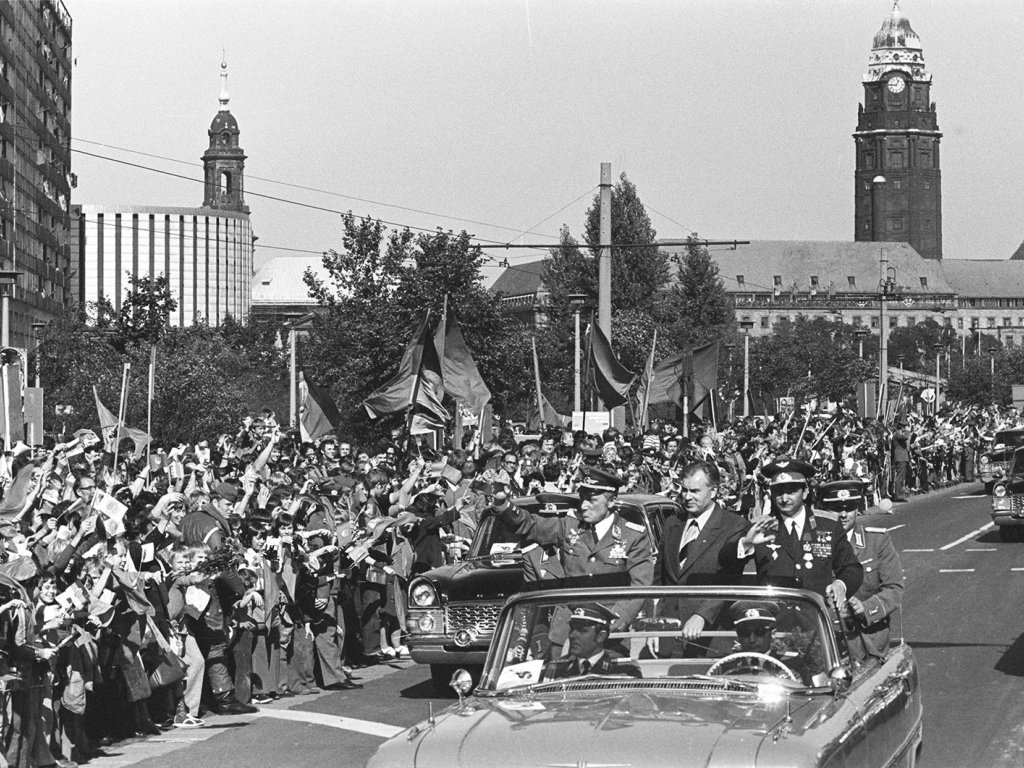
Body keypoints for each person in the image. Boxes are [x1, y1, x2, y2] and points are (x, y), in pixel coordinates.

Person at [724, 456, 863, 605]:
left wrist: (841, 585)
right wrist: (745, 544)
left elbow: (852, 567)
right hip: (775, 619)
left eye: (791, 492)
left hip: (816, 617)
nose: (784, 499)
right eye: (779, 491)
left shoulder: (828, 524)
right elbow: (725, 562)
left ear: (805, 492)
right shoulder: (760, 526)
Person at [819, 480, 904, 661]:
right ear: (823, 510)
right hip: (829, 644)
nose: (843, 514)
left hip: (870, 641)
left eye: (849, 507)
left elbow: (894, 588)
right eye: (835, 508)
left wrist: (864, 609)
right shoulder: (812, 545)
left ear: (857, 508)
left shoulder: (877, 540)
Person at [724, 600, 825, 686]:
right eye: (744, 633)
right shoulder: (727, 667)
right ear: (738, 635)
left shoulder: (793, 664)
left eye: (760, 632)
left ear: (773, 633)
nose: (752, 639)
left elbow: (805, 699)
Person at [540, 604, 640, 680]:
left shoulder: (624, 671)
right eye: (572, 629)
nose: (572, 635)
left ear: (601, 636)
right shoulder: (555, 670)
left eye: (583, 630)